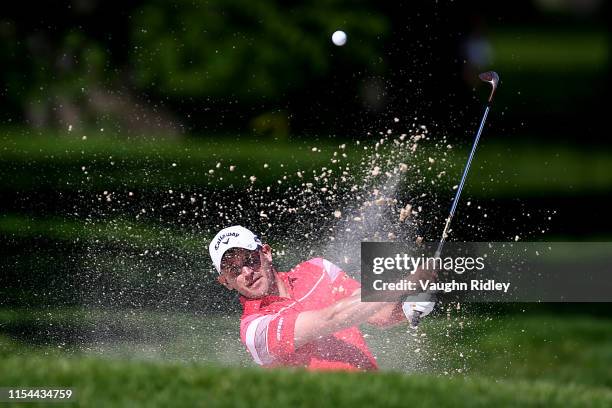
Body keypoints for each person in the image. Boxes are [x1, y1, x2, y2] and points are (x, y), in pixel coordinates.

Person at [208, 225, 435, 371]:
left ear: (265, 252)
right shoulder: (254, 328)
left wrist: (409, 307)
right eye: (233, 270)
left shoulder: (318, 269)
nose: (247, 273)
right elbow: (330, 319)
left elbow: (380, 314)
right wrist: (406, 282)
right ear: (225, 282)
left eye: (250, 260)